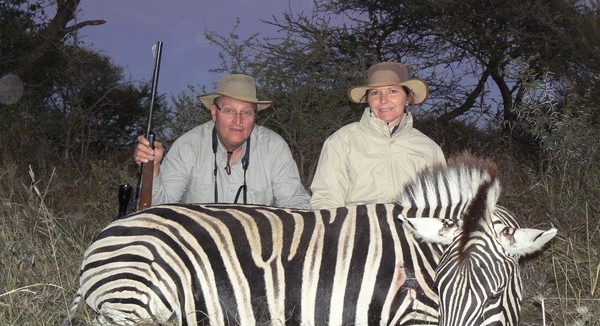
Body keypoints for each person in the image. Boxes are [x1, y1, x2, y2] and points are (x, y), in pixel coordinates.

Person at [134, 73, 310, 209]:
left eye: (247, 112)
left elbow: (296, 202)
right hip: (198, 246)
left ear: (255, 116)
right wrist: (153, 167)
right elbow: (159, 208)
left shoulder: (274, 147)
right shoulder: (187, 146)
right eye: (229, 110)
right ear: (214, 112)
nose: (238, 120)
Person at [309, 61, 446, 210]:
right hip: (356, 229)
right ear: (368, 100)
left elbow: (440, 205)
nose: (383, 99)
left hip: (411, 230)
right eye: (375, 92)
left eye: (392, 91)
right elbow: (325, 200)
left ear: (407, 98)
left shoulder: (430, 149)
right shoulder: (342, 140)